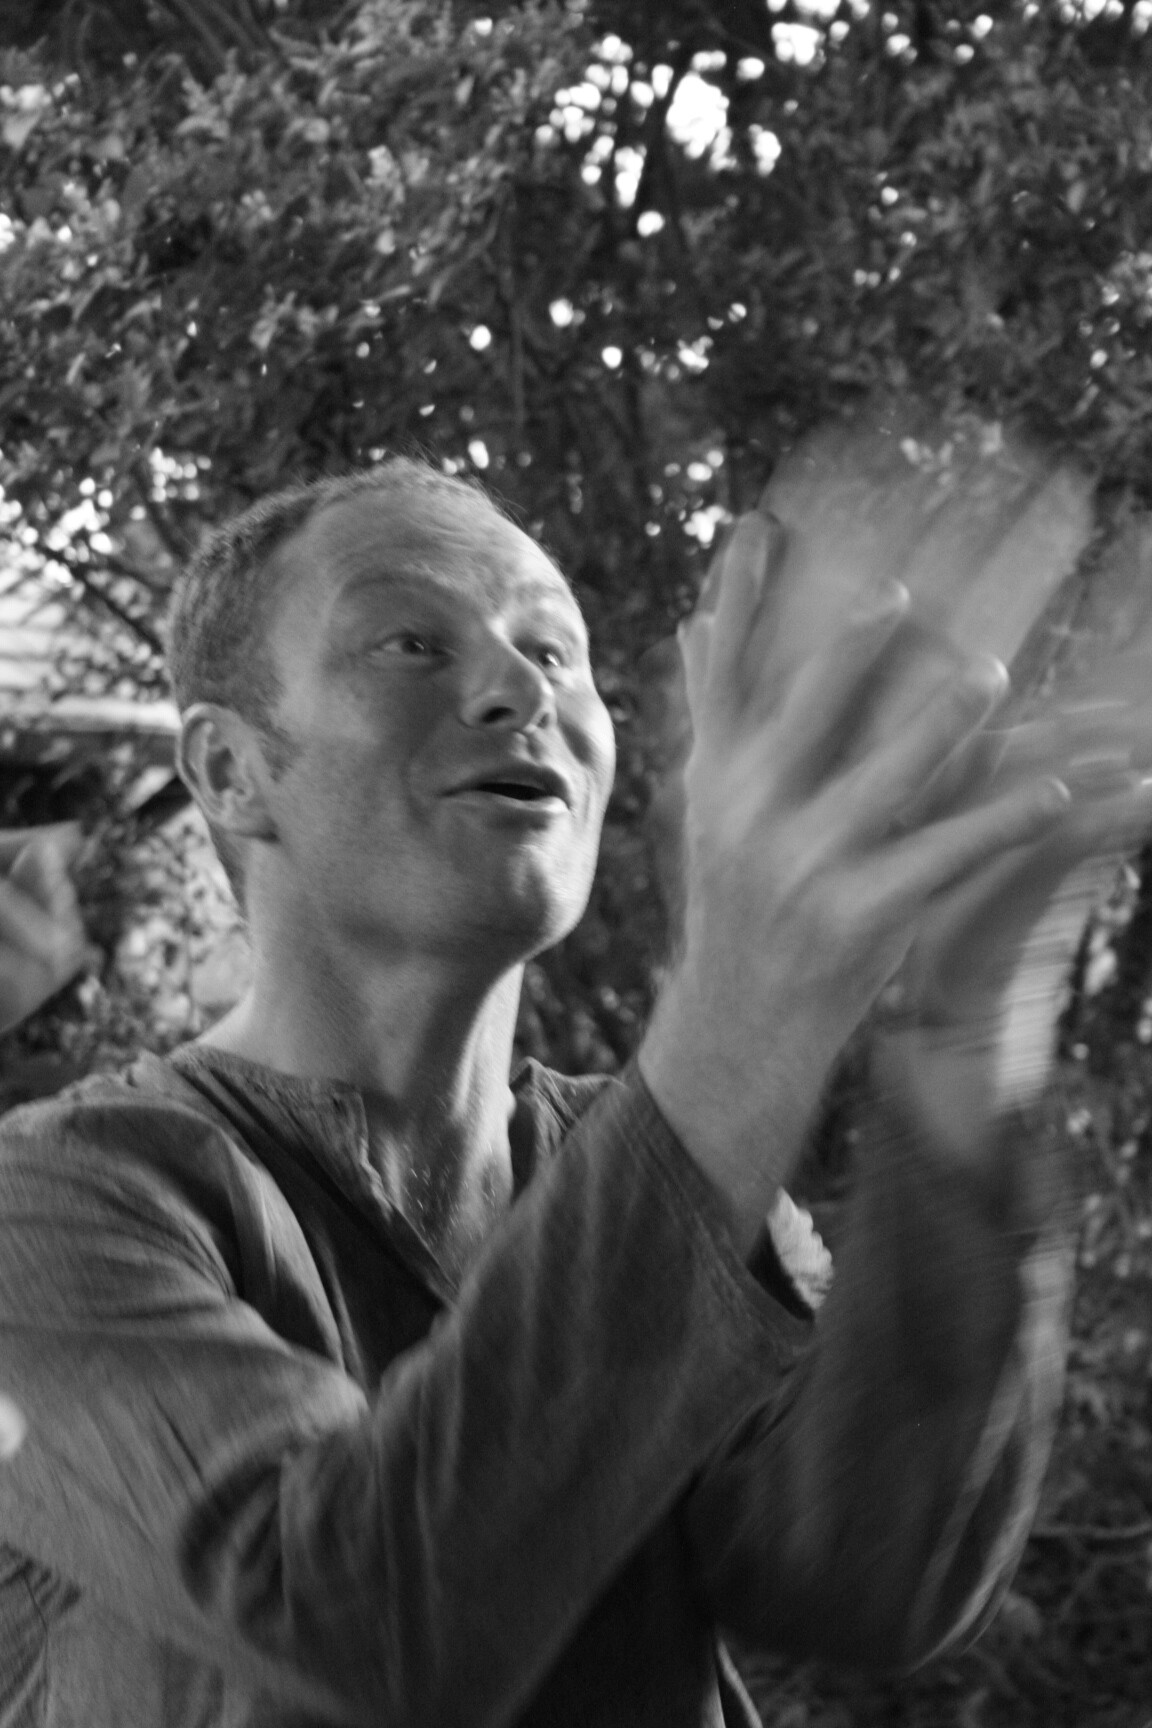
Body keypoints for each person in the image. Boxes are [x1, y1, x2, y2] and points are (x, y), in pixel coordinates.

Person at [0, 459, 1143, 1728]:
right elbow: (365, 1620)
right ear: (228, 770)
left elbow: (864, 1582)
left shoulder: (654, 1161)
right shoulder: (53, 1203)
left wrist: (970, 1028)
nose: (520, 685)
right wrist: (746, 1007)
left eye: (554, 649)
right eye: (411, 641)